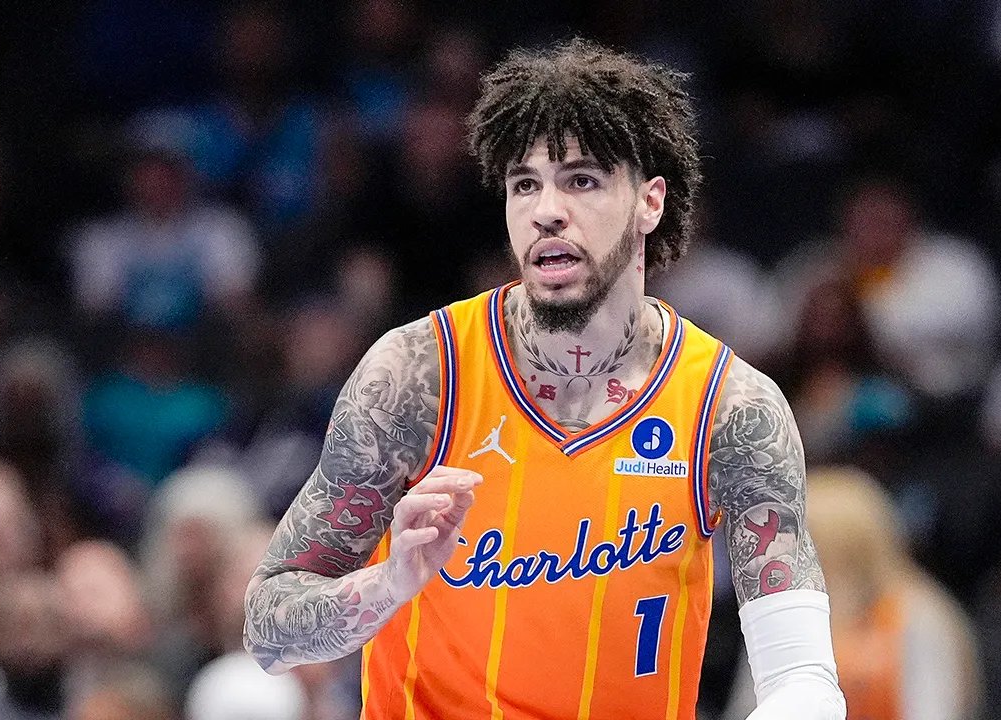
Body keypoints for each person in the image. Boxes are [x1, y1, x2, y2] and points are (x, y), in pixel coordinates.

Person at [243, 38, 846, 720]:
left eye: (581, 180)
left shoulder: (730, 407)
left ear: (649, 203)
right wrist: (389, 583)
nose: (546, 210)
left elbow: (803, 679)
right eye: (524, 183)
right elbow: (267, 628)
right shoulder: (418, 375)